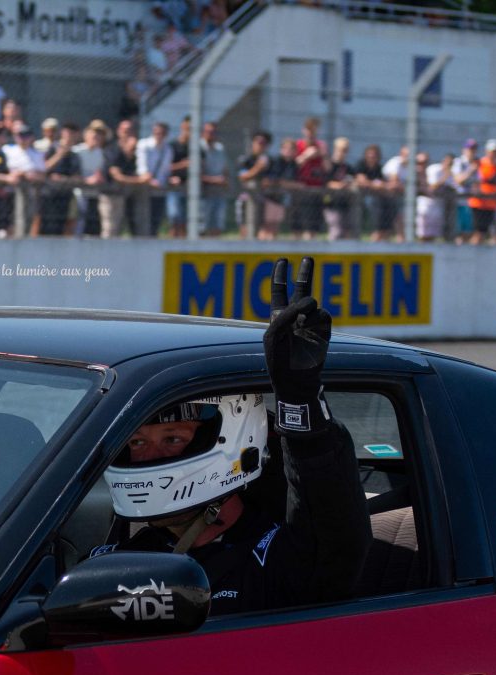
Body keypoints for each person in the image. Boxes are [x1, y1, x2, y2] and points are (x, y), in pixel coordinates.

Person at [96, 257, 372, 616]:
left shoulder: (277, 556)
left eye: (172, 439)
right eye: (137, 443)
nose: (147, 458)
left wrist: (298, 396)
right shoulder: (117, 560)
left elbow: (335, 535)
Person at [136, 121, 173, 235]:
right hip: (144, 189)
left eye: (161, 133)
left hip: (160, 190)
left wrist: (169, 179)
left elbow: (165, 170)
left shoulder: (168, 149)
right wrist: (150, 180)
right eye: (156, 132)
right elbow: (141, 167)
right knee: (142, 220)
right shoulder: (144, 145)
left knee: (156, 220)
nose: (159, 135)